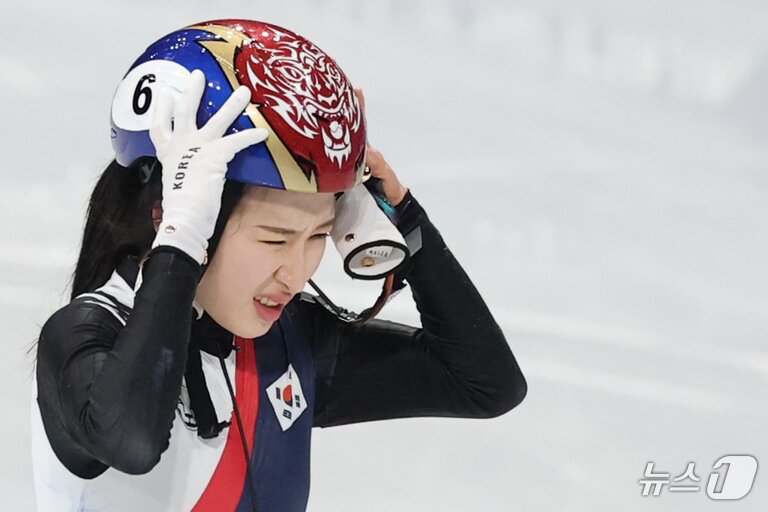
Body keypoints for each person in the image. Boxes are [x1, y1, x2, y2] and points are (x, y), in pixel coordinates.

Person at [30, 19, 527, 512]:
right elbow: (131, 440)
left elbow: (484, 383)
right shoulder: (85, 337)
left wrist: (404, 217)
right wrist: (179, 238)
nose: (296, 273)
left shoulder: (285, 344)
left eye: (318, 235)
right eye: (275, 238)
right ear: (182, 209)